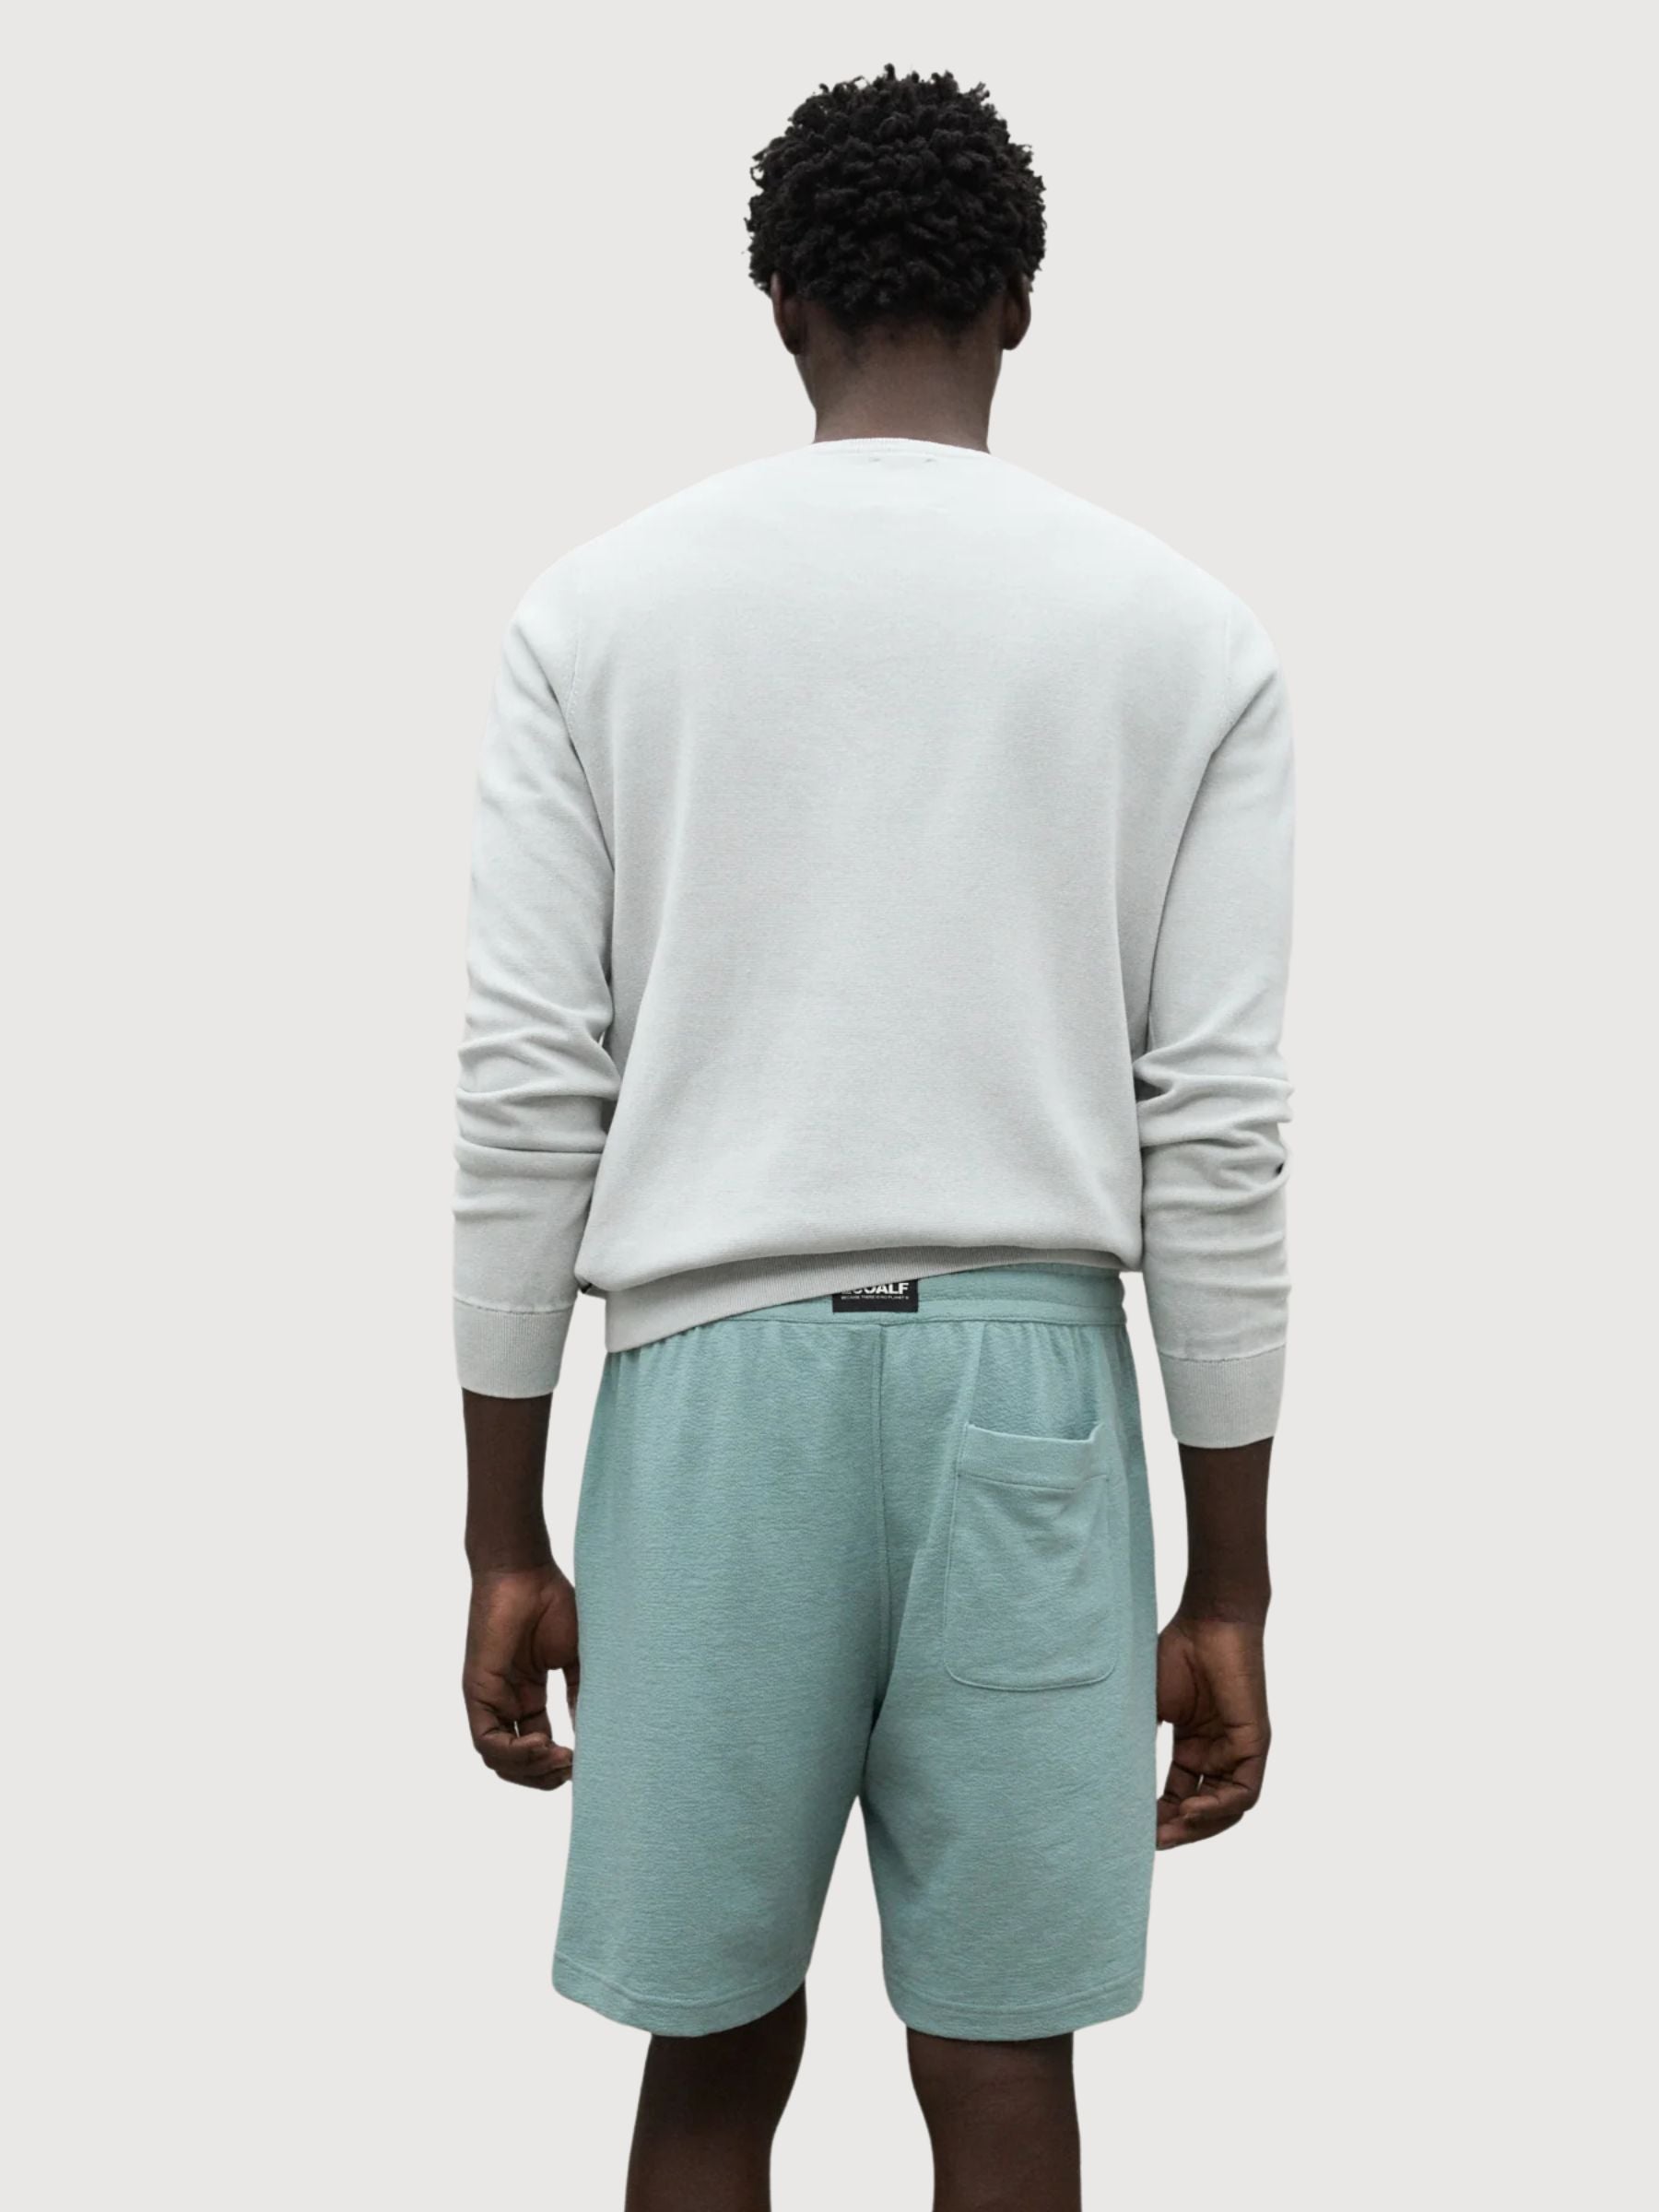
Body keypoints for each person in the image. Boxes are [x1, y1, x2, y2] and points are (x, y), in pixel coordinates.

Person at [454, 64, 1290, 2212]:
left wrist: (501, 1532)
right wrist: (1233, 1577)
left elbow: (530, 1088)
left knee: (714, 2047)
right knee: (999, 2057)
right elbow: (1216, 1135)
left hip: (710, 1394)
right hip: (1033, 1393)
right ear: (1021, 302)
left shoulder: (598, 617)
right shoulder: (1186, 637)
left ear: (778, 305)